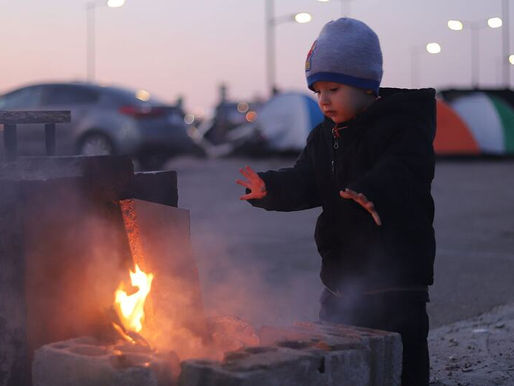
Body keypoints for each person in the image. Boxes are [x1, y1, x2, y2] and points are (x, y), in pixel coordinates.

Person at [236, 18, 436, 386]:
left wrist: (371, 191)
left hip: (396, 286)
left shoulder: (404, 126)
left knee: (402, 367)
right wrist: (270, 188)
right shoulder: (323, 136)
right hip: (340, 283)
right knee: (336, 364)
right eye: (317, 91)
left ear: (366, 86)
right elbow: (307, 180)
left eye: (333, 88)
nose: (324, 99)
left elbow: (404, 170)